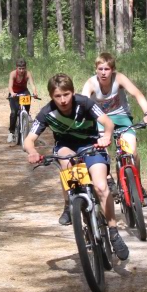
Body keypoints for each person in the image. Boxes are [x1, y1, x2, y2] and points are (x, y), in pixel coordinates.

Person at [24, 73, 130, 261]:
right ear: (51, 96)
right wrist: (32, 152)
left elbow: (108, 123)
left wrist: (106, 136)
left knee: (101, 186)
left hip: (91, 144)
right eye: (57, 96)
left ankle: (113, 232)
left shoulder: (85, 103)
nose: (63, 100)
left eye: (66, 94)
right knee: (65, 162)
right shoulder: (47, 112)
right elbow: (29, 140)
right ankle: (70, 204)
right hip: (66, 147)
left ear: (73, 92)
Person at [81, 52, 147, 205]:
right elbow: (83, 103)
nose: (103, 73)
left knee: (132, 152)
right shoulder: (91, 83)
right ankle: (109, 180)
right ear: (95, 69)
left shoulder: (119, 78)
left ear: (112, 70)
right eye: (100, 69)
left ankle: (138, 185)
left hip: (121, 118)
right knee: (102, 150)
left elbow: (137, 94)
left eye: (107, 69)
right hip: (101, 120)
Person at [6, 59, 39, 144]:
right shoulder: (13, 74)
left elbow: (32, 84)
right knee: (14, 112)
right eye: (19, 68)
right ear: (16, 68)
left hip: (24, 92)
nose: (21, 70)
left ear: (25, 68)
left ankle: (25, 121)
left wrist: (35, 92)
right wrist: (12, 93)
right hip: (14, 93)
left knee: (26, 112)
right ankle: (11, 132)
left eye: (23, 68)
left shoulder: (28, 74)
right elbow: (10, 86)